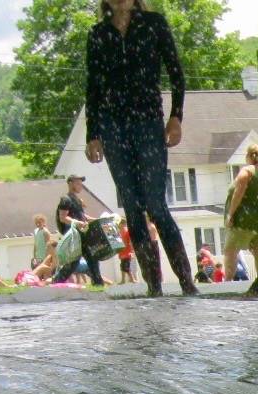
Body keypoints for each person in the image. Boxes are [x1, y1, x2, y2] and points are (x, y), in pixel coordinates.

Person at [84, 0, 197, 296]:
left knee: (156, 205)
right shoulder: (98, 34)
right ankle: (153, 287)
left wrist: (176, 116)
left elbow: (176, 73)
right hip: (112, 127)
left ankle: (187, 284)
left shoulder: (153, 24)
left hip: (148, 122)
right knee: (133, 209)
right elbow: (93, 87)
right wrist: (92, 133)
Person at [223, 142, 258, 283]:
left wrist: (231, 214)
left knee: (231, 251)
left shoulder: (247, 171)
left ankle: (227, 282)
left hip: (243, 220)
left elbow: (239, 192)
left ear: (248, 156)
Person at [55, 174, 106, 287]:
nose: (80, 185)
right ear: (70, 183)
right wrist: (77, 223)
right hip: (74, 236)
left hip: (83, 234)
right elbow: (63, 217)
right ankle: (57, 282)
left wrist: (99, 220)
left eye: (81, 183)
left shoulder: (77, 199)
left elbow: (82, 216)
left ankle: (98, 283)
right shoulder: (65, 199)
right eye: (78, 183)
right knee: (75, 262)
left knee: (92, 257)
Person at [117, 216, 136, 282]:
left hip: (127, 252)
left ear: (122, 224)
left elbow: (130, 241)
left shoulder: (126, 231)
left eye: (119, 223)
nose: (118, 225)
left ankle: (132, 279)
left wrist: (132, 251)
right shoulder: (119, 232)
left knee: (126, 266)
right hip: (122, 251)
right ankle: (123, 280)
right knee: (122, 266)